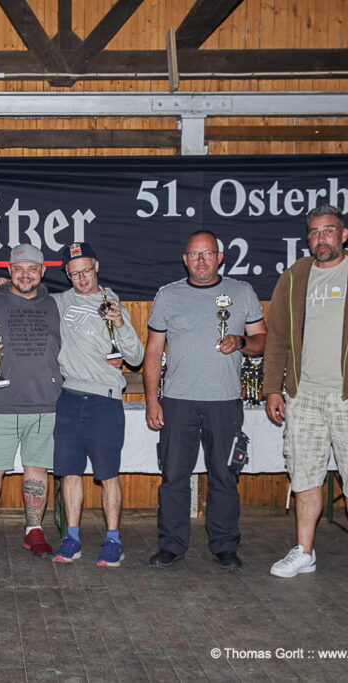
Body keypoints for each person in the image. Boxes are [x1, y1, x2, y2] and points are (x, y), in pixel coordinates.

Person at [264, 205, 348, 592]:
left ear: (343, 235)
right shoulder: (294, 277)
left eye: (327, 231)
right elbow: (277, 338)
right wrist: (272, 387)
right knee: (304, 475)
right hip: (303, 397)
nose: (320, 239)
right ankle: (304, 552)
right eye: (313, 232)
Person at [143, 230, 267, 571]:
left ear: (220, 257)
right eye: (195, 254)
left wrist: (241, 342)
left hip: (224, 401)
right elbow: (153, 351)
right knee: (173, 477)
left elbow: (262, 339)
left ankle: (225, 546)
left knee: (225, 476)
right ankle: (171, 545)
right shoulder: (168, 295)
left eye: (208, 253)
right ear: (185, 259)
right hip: (178, 402)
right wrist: (152, 399)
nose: (201, 260)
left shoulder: (242, 292)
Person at [50, 242, 145, 567]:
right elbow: (26, 295)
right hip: (69, 396)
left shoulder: (113, 304)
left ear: (97, 267)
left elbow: (136, 357)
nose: (82, 278)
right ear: (67, 274)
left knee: (108, 474)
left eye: (86, 271)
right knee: (69, 472)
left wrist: (121, 325)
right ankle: (72, 537)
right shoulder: (59, 302)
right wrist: (2, 285)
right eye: (74, 273)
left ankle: (114, 539)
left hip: (105, 399)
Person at [0, 243, 61, 559]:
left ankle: (34, 530)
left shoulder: (55, 305)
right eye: (19, 269)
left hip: (45, 403)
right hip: (0, 403)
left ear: (42, 271)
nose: (25, 274)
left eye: (32, 268)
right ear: (9, 271)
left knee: (37, 472)